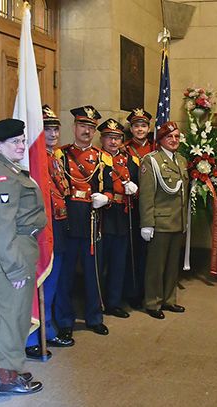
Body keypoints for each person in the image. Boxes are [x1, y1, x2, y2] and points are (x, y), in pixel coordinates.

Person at [0, 118, 46, 395]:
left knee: (14, 315)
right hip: (11, 256)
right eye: (15, 142)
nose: (22, 146)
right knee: (12, 316)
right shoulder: (0, 176)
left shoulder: (9, 169)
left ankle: (4, 370)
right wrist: (15, 268)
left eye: (22, 140)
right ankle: (7, 378)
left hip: (17, 251)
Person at [55, 105, 113, 338]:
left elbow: (110, 189)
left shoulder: (103, 158)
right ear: (74, 127)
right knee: (65, 276)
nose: (86, 131)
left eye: (91, 127)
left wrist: (105, 198)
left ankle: (94, 317)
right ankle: (65, 320)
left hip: (92, 224)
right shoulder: (61, 155)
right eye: (82, 126)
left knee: (93, 274)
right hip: (68, 222)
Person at [25, 106, 74, 361]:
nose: (53, 134)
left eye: (56, 128)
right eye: (47, 129)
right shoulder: (34, 159)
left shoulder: (55, 156)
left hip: (59, 225)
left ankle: (49, 328)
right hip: (43, 229)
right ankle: (33, 336)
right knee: (41, 280)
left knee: (54, 280)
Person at [139, 121, 189, 319]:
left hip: (177, 221)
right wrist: (147, 223)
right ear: (160, 140)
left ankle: (169, 300)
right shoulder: (151, 161)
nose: (174, 140)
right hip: (160, 222)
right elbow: (147, 195)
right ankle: (153, 302)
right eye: (170, 137)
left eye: (177, 137)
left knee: (171, 266)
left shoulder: (182, 161)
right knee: (156, 266)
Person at [98, 119, 139, 319]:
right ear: (102, 139)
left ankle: (113, 302)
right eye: (109, 138)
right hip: (102, 217)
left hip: (122, 217)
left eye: (117, 138)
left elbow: (138, 182)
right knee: (99, 264)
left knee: (118, 263)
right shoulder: (96, 158)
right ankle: (97, 301)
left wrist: (134, 190)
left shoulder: (128, 160)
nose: (113, 142)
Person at [123, 108, 153, 309]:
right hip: (132, 206)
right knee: (134, 252)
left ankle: (149, 290)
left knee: (152, 252)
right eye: (136, 126)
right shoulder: (125, 149)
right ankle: (133, 292)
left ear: (149, 128)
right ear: (131, 129)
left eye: (143, 125)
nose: (140, 129)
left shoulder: (156, 147)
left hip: (152, 206)